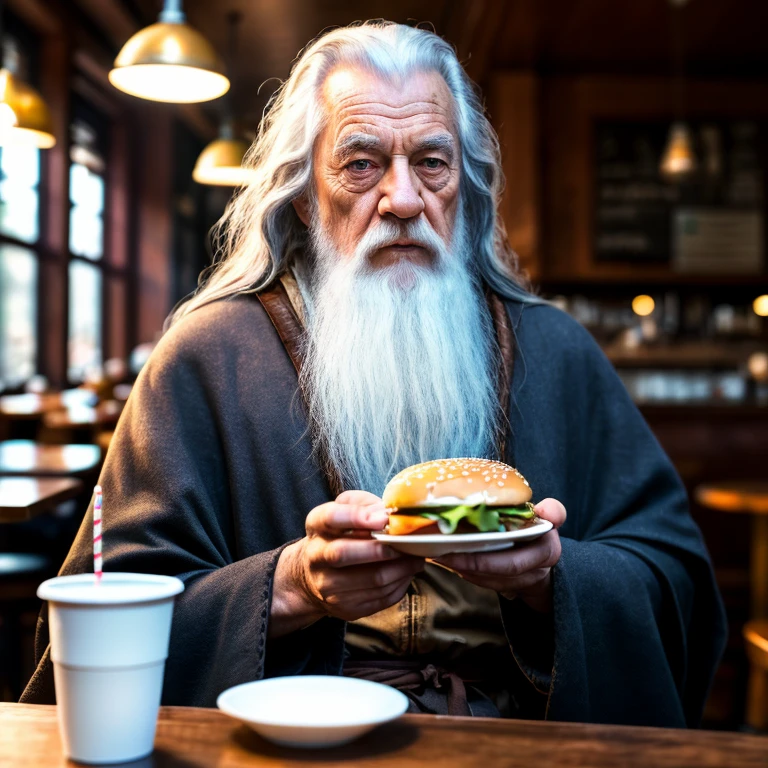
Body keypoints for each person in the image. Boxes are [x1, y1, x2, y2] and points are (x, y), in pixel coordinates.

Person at [22, 21, 726, 726]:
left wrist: (553, 580)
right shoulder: (207, 357)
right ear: (303, 194)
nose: (403, 200)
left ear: (466, 186)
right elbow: (100, 605)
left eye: (431, 162)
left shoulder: (557, 351)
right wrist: (289, 588)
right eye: (361, 164)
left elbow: (679, 583)